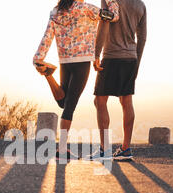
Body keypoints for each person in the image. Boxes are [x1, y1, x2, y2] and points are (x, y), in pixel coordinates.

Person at [33, 0, 119, 160]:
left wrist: (39, 57)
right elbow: (113, 16)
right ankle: (62, 150)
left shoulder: (56, 11)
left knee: (63, 103)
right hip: (81, 62)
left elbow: (47, 36)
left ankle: (49, 74)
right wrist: (111, 1)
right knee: (69, 106)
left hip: (64, 61)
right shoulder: (86, 8)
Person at [91, 0, 147, 161]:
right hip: (130, 58)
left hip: (111, 56)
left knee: (100, 101)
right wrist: (137, 62)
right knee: (126, 101)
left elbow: (104, 24)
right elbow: (142, 37)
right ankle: (126, 148)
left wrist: (96, 54)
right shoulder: (140, 5)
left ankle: (104, 150)